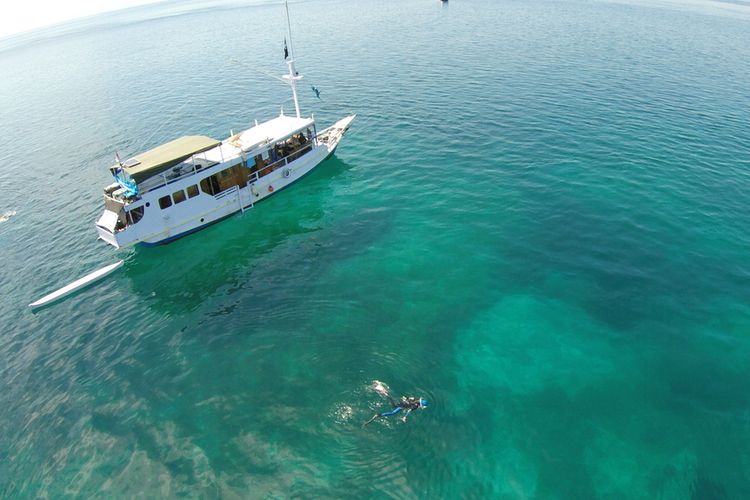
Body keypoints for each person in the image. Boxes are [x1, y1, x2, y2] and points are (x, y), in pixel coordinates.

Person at [363, 395, 429, 427]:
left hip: (403, 402)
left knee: (395, 405)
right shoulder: (416, 406)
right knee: (393, 412)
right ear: (421, 404)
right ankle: (379, 415)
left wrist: (405, 399)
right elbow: (409, 411)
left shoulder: (415, 398)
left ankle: (387, 395)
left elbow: (408, 397)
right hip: (402, 406)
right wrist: (404, 417)